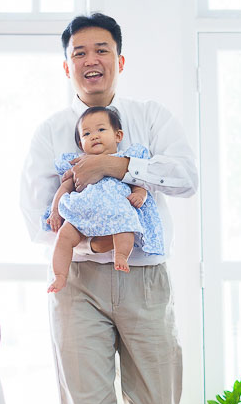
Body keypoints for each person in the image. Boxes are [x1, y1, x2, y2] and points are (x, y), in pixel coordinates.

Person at [21, 13, 197, 404]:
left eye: (102, 50)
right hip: (78, 287)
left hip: (145, 281)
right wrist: (96, 240)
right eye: (78, 52)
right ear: (66, 65)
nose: (90, 59)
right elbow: (34, 219)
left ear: (120, 60)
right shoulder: (51, 132)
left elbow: (186, 177)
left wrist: (115, 166)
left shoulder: (149, 119)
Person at [47, 105, 164, 292]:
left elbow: (140, 184)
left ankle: (121, 256)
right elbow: (64, 188)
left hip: (116, 210)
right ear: (80, 144)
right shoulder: (77, 165)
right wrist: (54, 211)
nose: (94, 136)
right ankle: (60, 275)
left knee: (126, 225)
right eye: (86, 134)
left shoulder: (125, 160)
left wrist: (139, 196)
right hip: (83, 212)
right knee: (64, 236)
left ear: (118, 136)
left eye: (101, 130)